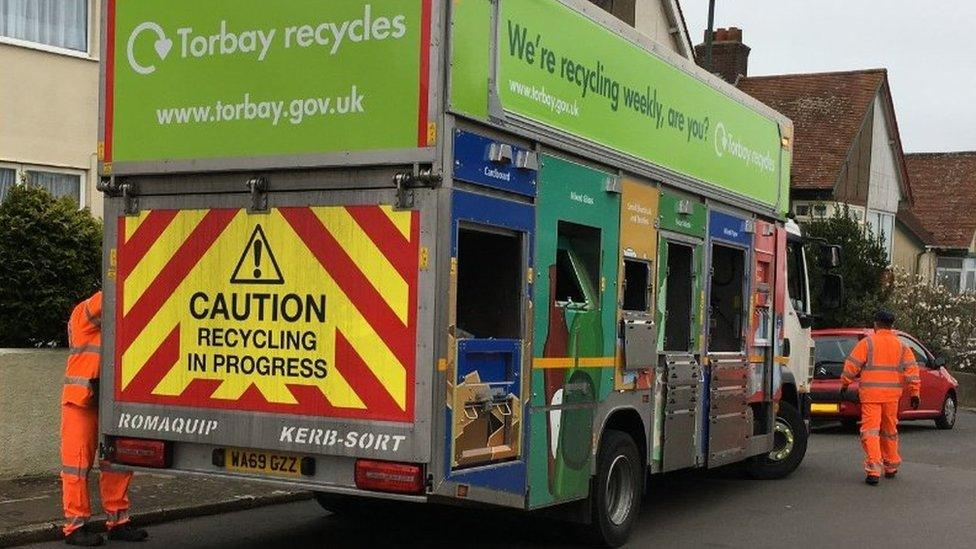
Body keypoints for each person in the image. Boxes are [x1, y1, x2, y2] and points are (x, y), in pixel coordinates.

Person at [61, 291, 148, 546]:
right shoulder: (82, 314)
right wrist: (126, 275)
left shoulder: (119, 324)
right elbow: (110, 295)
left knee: (116, 462)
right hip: (81, 400)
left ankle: (118, 521)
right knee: (76, 465)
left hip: (110, 401)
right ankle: (75, 527)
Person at [840, 309, 921, 485]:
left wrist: (845, 383)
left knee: (870, 432)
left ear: (876, 324)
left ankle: (874, 470)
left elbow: (851, 366)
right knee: (889, 431)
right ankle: (891, 465)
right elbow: (912, 371)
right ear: (892, 325)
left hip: (871, 396)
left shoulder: (868, 343)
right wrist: (915, 393)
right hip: (892, 397)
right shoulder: (901, 346)